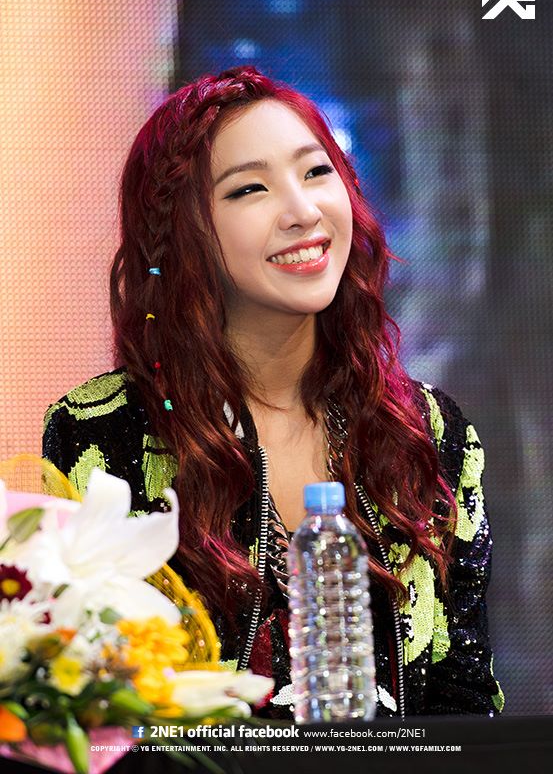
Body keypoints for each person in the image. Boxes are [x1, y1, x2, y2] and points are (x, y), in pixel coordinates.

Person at [43, 65, 504, 719]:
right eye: (250, 188)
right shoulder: (104, 430)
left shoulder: (428, 429)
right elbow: (92, 700)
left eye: (316, 172)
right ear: (180, 231)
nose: (303, 212)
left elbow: (465, 701)